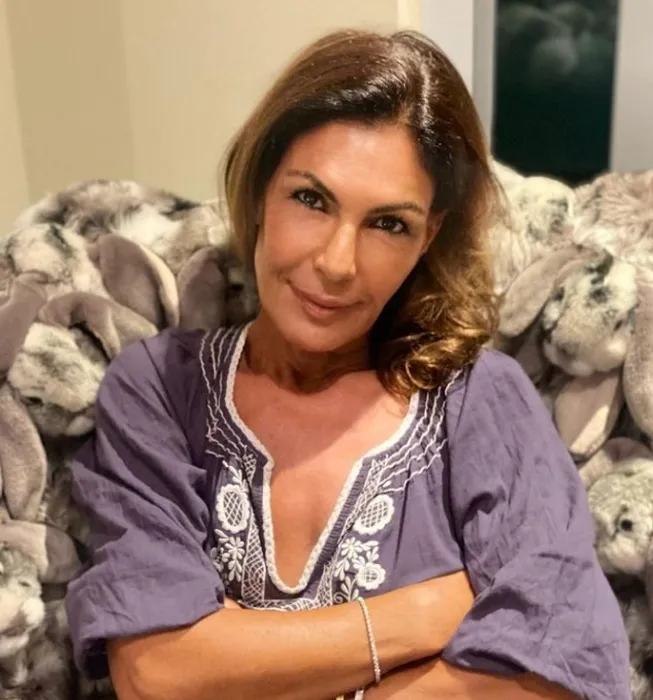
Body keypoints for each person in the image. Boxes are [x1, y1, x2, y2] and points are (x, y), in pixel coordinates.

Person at [65, 28, 631, 700]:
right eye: (311, 199)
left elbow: (560, 675)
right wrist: (426, 614)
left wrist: (236, 654)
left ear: (428, 238)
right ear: (260, 188)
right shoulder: (160, 388)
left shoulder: (479, 402)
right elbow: (155, 674)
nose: (337, 264)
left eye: (388, 224)